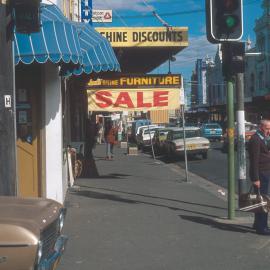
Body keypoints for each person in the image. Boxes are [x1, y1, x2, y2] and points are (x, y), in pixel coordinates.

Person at [248, 119, 270, 235]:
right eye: (267, 128)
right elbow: (254, 161)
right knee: (263, 201)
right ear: (261, 127)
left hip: (265, 172)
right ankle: (262, 227)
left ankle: (257, 224)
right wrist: (255, 178)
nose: (269, 131)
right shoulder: (256, 139)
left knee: (259, 199)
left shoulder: (264, 138)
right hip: (261, 174)